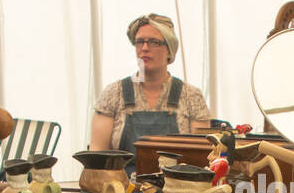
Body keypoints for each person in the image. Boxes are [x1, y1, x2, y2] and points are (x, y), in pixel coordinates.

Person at [89, 14, 210, 169]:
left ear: (169, 50)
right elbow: (97, 154)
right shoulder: (114, 94)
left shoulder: (191, 96)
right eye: (140, 42)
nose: (145, 48)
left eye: (154, 42)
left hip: (176, 187)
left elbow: (200, 157)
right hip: (122, 188)